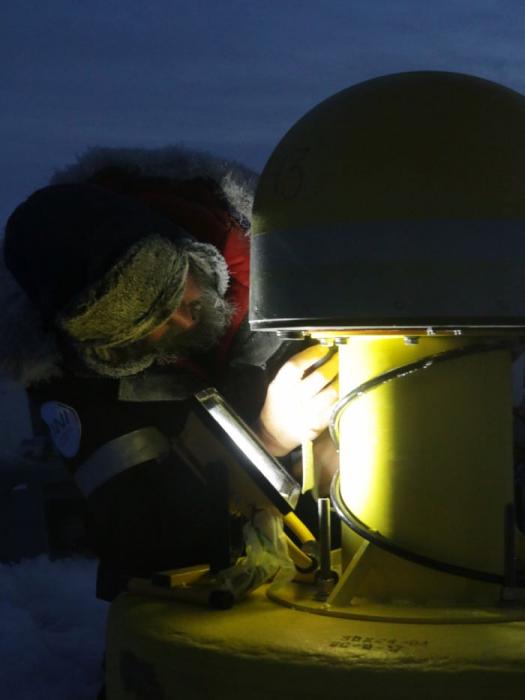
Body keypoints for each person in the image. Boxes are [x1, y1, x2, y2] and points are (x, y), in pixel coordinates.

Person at [0, 146, 338, 600]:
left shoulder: (289, 269)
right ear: (93, 347)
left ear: (186, 246)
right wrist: (266, 438)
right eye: (143, 331)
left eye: (180, 294)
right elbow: (140, 533)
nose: (182, 324)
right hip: (198, 605)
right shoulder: (69, 379)